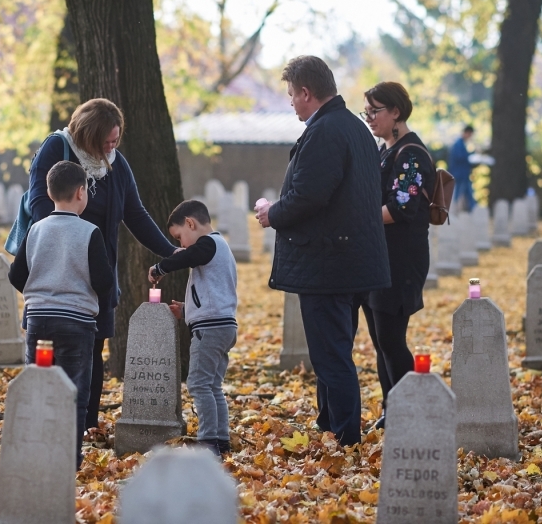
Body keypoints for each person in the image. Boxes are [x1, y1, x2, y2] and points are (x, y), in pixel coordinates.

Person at [255, 56, 390, 446]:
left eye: (292, 95)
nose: (291, 103)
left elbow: (309, 196)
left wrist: (271, 213)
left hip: (329, 263)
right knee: (335, 349)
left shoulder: (325, 131)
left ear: (306, 92)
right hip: (351, 260)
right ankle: (330, 423)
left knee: (330, 354)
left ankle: (344, 435)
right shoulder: (354, 129)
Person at [28, 98, 177, 432]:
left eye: (116, 140)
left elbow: (135, 214)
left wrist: (169, 252)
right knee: (48, 350)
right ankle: (45, 419)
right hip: (57, 270)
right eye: (107, 141)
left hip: (95, 273)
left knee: (92, 350)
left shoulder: (115, 163)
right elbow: (39, 203)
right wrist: (64, 240)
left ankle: (86, 423)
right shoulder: (57, 148)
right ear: (89, 135)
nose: (112, 146)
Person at [9, 160, 114, 470]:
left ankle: (36, 450)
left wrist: (41, 292)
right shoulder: (89, 232)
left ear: (50, 193)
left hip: (39, 320)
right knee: (75, 391)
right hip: (77, 324)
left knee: (39, 385)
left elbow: (17, 275)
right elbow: (103, 282)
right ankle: (69, 458)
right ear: (81, 193)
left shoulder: (36, 230)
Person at [359, 82, 436, 430]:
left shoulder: (411, 153)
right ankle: (395, 410)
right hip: (379, 256)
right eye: (367, 112)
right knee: (381, 341)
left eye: (375, 111)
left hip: (401, 258)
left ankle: (410, 412)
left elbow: (401, 206)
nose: (370, 118)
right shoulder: (384, 149)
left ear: (396, 113)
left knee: (391, 338)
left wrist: (357, 219)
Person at [148, 200, 237, 458]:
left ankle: (208, 442)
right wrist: (187, 311)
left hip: (210, 329)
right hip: (223, 324)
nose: (181, 245)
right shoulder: (220, 249)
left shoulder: (209, 244)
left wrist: (161, 266)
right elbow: (214, 295)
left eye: (179, 237)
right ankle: (221, 439)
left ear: (191, 223)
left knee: (199, 384)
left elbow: (191, 255)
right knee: (212, 386)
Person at [449, 125, 475, 211]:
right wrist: (470, 156)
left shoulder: (461, 143)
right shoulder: (458, 144)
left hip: (462, 173)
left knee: (467, 192)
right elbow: (459, 157)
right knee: (458, 193)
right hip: (459, 173)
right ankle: (454, 208)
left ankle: (471, 208)